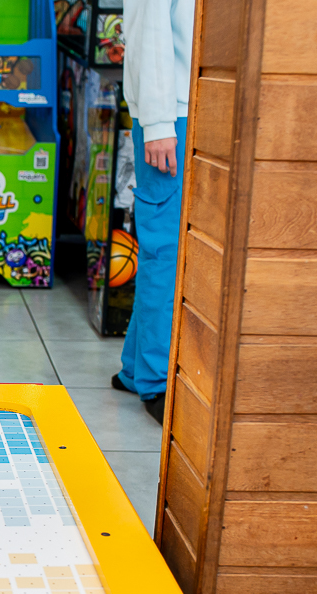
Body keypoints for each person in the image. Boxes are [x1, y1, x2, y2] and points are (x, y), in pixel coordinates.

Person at [114, 0, 194, 423]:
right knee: (166, 251)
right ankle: (157, 381)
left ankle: (135, 367)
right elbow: (151, 32)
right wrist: (160, 124)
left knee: (164, 248)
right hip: (171, 117)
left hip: (184, 108)